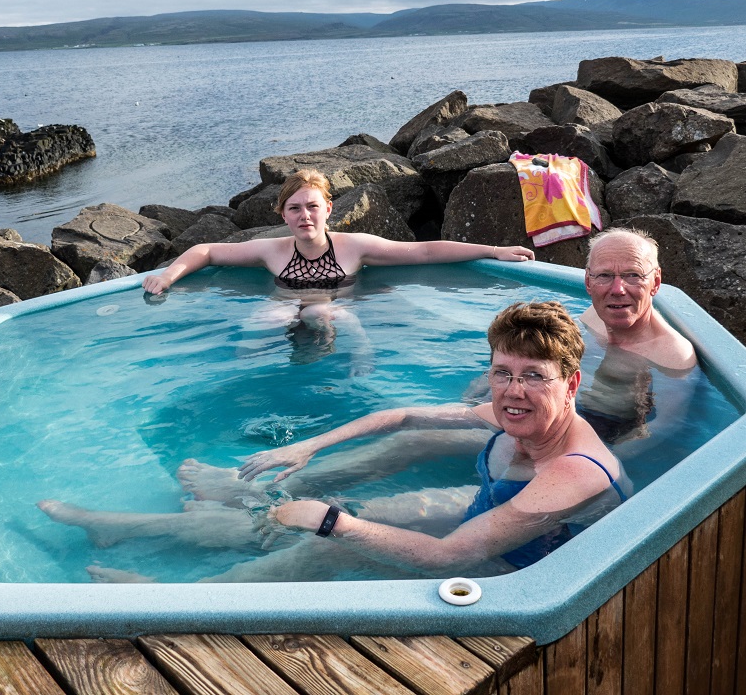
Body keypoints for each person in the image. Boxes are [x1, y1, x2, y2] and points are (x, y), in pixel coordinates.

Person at [38, 301, 630, 582]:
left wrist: (330, 522)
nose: (513, 390)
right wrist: (309, 448)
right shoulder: (510, 411)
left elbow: (455, 558)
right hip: (496, 516)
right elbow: (401, 418)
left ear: (571, 383)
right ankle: (124, 526)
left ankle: (175, 599)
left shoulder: (574, 473)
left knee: (335, 542)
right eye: (503, 372)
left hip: (524, 573)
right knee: (320, 518)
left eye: (534, 376)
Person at [143, 169, 534, 370]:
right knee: (252, 334)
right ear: (282, 213)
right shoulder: (272, 251)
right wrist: (168, 276)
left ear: (329, 209)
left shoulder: (355, 246)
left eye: (312, 206)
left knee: (319, 312)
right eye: (294, 208)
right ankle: (264, 375)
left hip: (338, 308)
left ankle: (358, 353)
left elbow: (425, 251)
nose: (304, 215)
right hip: (284, 303)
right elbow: (207, 250)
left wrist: (494, 250)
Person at [577, 227, 696, 446]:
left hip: (612, 436)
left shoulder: (672, 355)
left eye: (633, 275)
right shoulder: (592, 318)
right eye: (604, 275)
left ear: (656, 282)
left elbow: (666, 426)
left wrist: (604, 461)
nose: (618, 289)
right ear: (588, 282)